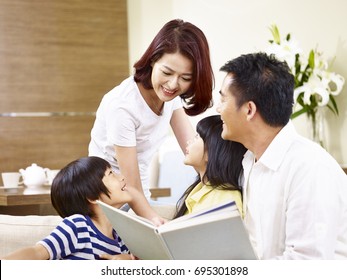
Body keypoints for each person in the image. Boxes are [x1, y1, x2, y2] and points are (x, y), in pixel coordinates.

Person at [217, 52, 347, 259]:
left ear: (249, 110)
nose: (218, 109)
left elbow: (307, 264)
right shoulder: (250, 161)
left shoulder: (310, 168)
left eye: (223, 100)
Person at [88, 19, 214, 223]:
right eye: (167, 72)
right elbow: (130, 186)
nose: (173, 84)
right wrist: (155, 221)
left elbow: (194, 149)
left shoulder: (170, 99)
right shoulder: (123, 106)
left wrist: (221, 190)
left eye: (185, 77)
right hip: (108, 198)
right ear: (153, 59)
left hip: (139, 193)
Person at [1, 156, 136, 260]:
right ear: (92, 196)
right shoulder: (78, 226)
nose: (122, 177)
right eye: (111, 173)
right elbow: (38, 252)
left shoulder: (120, 238)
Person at [174, 115, 247, 218]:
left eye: (197, 137)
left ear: (210, 151)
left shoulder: (226, 200)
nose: (189, 142)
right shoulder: (199, 190)